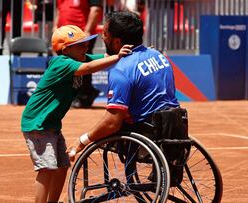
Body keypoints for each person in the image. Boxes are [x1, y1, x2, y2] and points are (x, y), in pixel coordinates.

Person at [21, 25, 132, 203]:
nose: (86, 48)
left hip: (52, 124)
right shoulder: (61, 63)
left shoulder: (78, 57)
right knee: (47, 168)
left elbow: (103, 57)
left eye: (86, 44)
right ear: (65, 49)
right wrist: (117, 56)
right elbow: (88, 67)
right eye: (80, 45)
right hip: (37, 123)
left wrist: (130, 52)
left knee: (62, 166)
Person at [66, 11, 181, 161]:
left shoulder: (121, 70)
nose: (102, 37)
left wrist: (82, 141)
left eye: (105, 33)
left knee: (107, 128)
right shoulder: (158, 55)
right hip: (174, 126)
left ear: (117, 42)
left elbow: (112, 123)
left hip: (145, 134)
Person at [55, 0, 104, 108]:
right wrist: (55, 27)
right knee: (69, 65)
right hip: (64, 37)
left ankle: (84, 94)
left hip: (80, 35)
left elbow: (95, 10)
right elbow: (59, 10)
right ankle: (83, 93)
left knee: (82, 63)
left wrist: (87, 31)